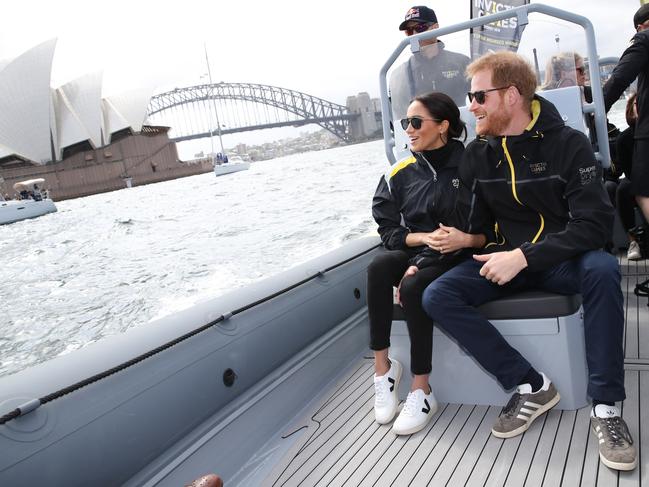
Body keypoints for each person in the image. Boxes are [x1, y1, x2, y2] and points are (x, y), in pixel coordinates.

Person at [421, 51, 636, 471]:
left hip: (558, 261)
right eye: (470, 96)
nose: (471, 106)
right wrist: (422, 261)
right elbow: (469, 226)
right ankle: (530, 383)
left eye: (479, 96)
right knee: (437, 294)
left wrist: (522, 256)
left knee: (604, 269)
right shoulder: (479, 155)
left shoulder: (568, 144)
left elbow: (593, 226)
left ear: (512, 95)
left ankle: (606, 408)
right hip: (505, 260)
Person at [369, 92, 487, 435]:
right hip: (422, 244)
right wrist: (421, 242)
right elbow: (389, 230)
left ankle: (422, 388)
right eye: (406, 122)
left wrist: (423, 260)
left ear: (444, 126)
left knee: (414, 283)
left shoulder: (471, 166)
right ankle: (383, 370)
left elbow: (484, 226)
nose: (409, 129)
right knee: (379, 268)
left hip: (460, 251)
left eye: (416, 122)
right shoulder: (400, 172)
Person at [603, 4, 649, 232]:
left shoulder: (644, 40)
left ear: (641, 27)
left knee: (642, 190)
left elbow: (619, 78)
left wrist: (598, 109)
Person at [389, 6, 471, 118]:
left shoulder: (461, 62)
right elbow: (400, 115)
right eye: (409, 31)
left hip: (460, 130)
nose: (414, 34)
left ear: (435, 28)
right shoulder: (400, 75)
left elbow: (480, 97)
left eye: (420, 28)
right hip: (423, 133)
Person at [616, 93, 643, 260]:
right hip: (637, 178)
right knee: (623, 189)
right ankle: (634, 241)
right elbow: (629, 171)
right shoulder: (624, 139)